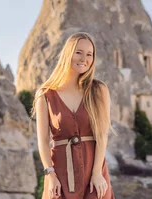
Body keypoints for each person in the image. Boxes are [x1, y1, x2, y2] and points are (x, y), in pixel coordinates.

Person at [31, 32, 115, 199]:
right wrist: (50, 174)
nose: (84, 58)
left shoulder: (98, 90)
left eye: (89, 54)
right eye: (79, 52)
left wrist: (97, 173)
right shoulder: (46, 94)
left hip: (94, 172)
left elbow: (102, 134)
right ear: (68, 53)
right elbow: (43, 141)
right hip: (61, 174)